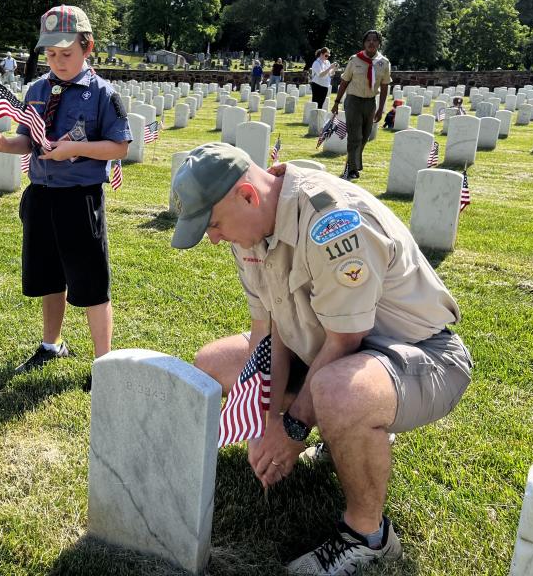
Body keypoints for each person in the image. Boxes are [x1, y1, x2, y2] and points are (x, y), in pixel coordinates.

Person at [170, 143, 472, 576]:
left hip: (421, 355)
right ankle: (343, 432)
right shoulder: (251, 228)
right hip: (333, 353)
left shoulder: (332, 222)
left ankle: (368, 536)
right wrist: (268, 418)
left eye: (214, 224)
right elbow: (267, 333)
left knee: (337, 392)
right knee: (215, 361)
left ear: (248, 195)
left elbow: (346, 340)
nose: (214, 237)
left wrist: (293, 429)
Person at [0, 5, 131, 379]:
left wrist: (75, 149)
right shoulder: (36, 89)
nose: (58, 62)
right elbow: (27, 141)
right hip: (41, 194)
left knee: (91, 281)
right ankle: (51, 345)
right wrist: (3, 144)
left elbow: (119, 147)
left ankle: (104, 363)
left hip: (79, 198)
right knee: (49, 275)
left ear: (87, 47)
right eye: (50, 54)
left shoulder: (101, 95)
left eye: (66, 54)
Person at [330, 30, 391, 181]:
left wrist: (381, 109)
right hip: (353, 101)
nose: (371, 43)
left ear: (379, 43)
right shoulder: (355, 60)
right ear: (364, 43)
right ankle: (351, 168)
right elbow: (344, 81)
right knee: (355, 136)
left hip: (370, 102)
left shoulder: (384, 63)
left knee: (364, 137)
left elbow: (384, 87)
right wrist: (337, 102)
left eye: (375, 40)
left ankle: (353, 164)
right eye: (368, 40)